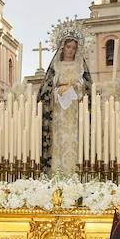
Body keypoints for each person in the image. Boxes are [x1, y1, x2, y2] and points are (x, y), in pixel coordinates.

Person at [37, 21, 92, 176]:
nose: (71, 50)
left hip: (75, 111)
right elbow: (46, 89)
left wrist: (74, 89)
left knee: (74, 139)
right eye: (68, 47)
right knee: (59, 140)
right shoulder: (57, 66)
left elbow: (86, 86)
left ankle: (75, 172)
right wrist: (57, 91)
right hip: (59, 111)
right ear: (62, 47)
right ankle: (57, 173)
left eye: (74, 48)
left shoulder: (79, 65)